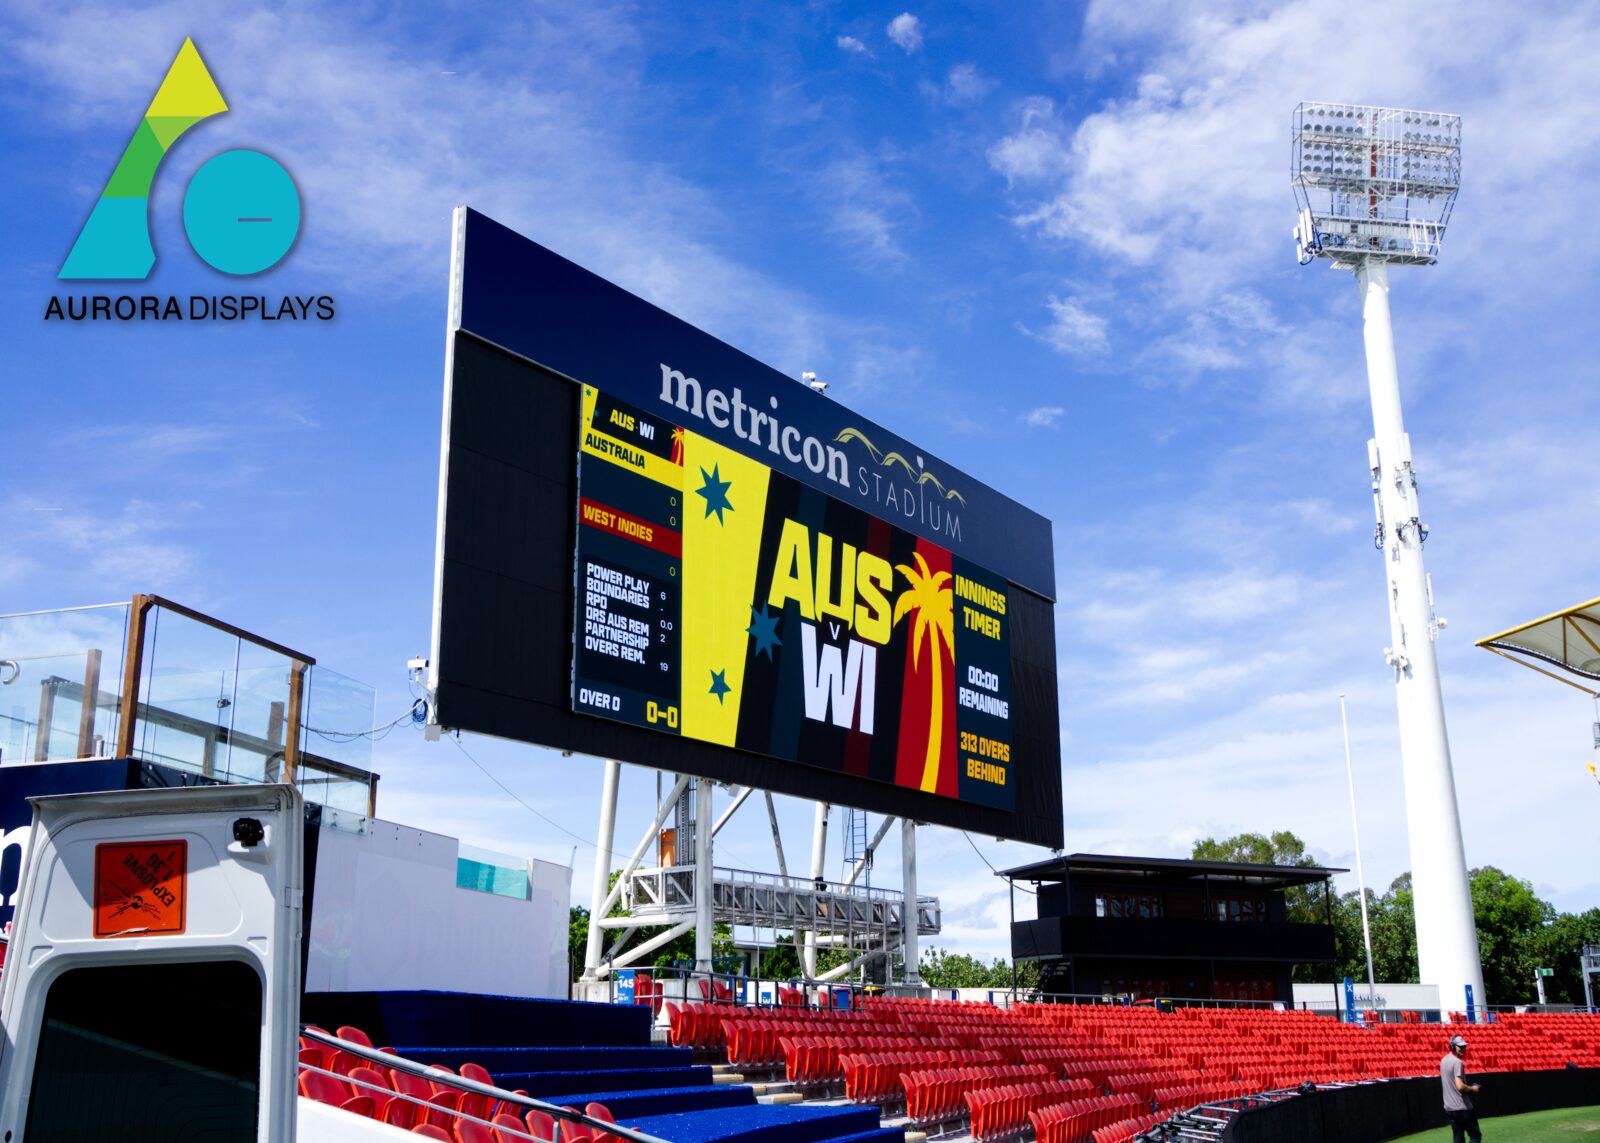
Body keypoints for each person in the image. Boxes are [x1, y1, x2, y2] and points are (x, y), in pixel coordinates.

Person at [1441, 1034, 1483, 1142]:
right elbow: (1460, 1086)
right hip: (1462, 1108)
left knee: (1458, 1139)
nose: (1464, 1049)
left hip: (1449, 1108)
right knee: (1475, 1136)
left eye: (1464, 1046)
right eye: (1460, 1046)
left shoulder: (1444, 1060)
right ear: (1453, 1047)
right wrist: (1473, 1089)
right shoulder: (1457, 1062)